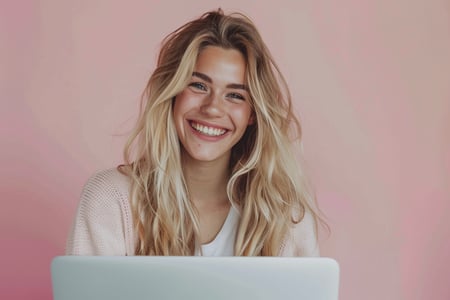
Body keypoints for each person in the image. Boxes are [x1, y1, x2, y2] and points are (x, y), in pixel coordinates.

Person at [66, 9, 322, 256]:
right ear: (173, 92)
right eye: (199, 85)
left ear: (252, 114)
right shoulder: (110, 200)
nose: (212, 108)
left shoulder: (286, 217)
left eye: (234, 95)